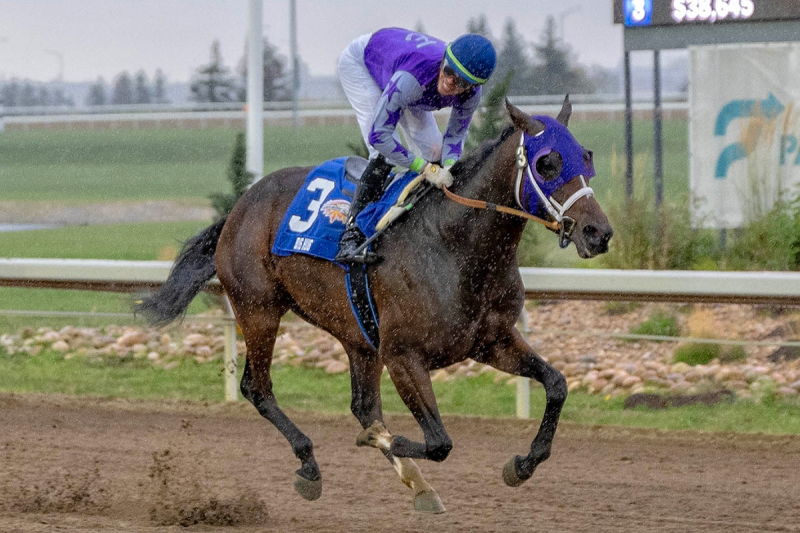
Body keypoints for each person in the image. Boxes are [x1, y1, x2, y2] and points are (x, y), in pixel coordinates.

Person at [335, 27, 497, 264]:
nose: (450, 82)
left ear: (473, 86)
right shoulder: (412, 79)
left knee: (436, 152)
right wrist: (424, 168)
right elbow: (379, 136)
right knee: (384, 155)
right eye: (449, 70)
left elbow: (454, 138)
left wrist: (448, 166)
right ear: (444, 60)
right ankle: (351, 236)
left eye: (461, 81)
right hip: (364, 66)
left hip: (413, 82)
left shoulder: (471, 95)